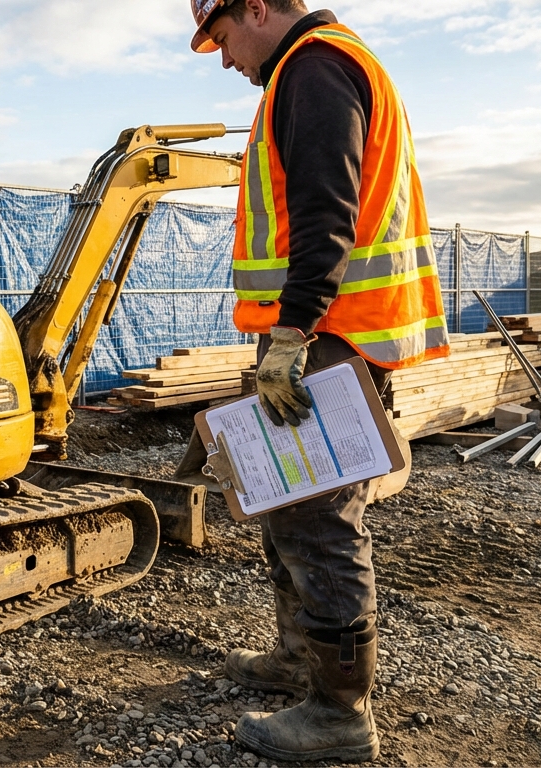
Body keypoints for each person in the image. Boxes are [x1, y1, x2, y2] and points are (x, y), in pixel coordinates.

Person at [187, 0, 450, 762]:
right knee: (284, 502)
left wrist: (292, 335)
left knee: (318, 520)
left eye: (225, 38)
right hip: (327, 337)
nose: (228, 58)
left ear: (258, 9)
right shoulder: (330, 66)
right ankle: (299, 657)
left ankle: (340, 712)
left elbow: (323, 213)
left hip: (327, 341)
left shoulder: (315, 70)